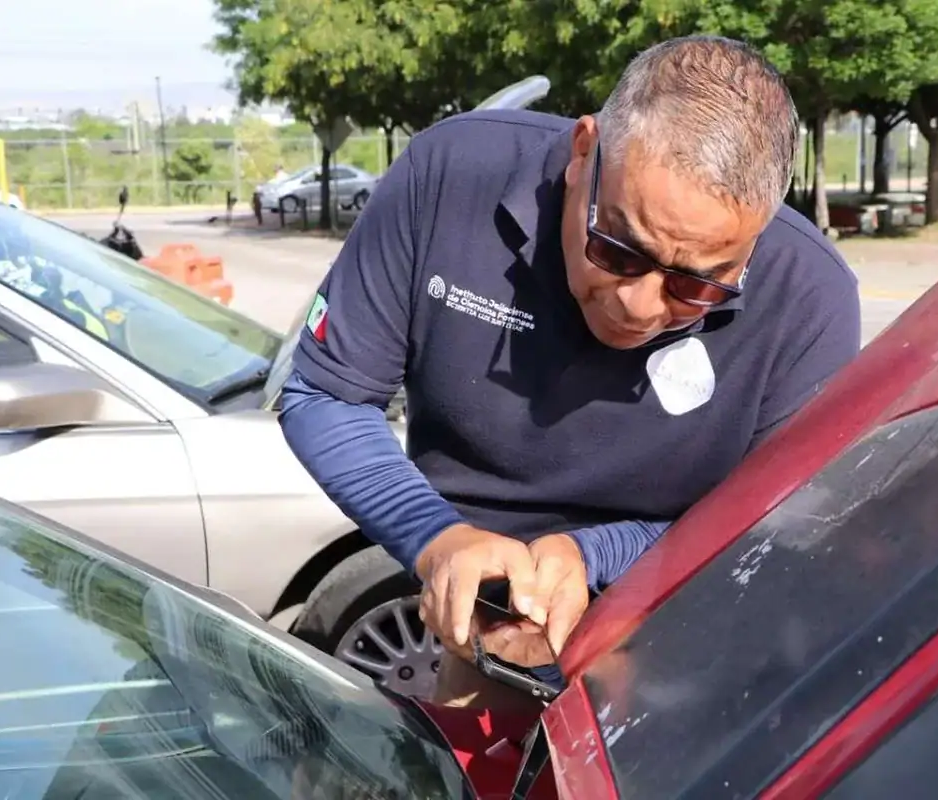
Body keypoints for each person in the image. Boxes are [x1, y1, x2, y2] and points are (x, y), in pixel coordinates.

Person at [278, 34, 862, 709]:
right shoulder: (452, 176)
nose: (639, 307)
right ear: (583, 151)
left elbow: (774, 523)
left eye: (696, 288)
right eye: (616, 250)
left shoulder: (810, 298)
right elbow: (325, 391)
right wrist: (435, 538)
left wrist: (596, 556)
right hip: (494, 644)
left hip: (692, 652)